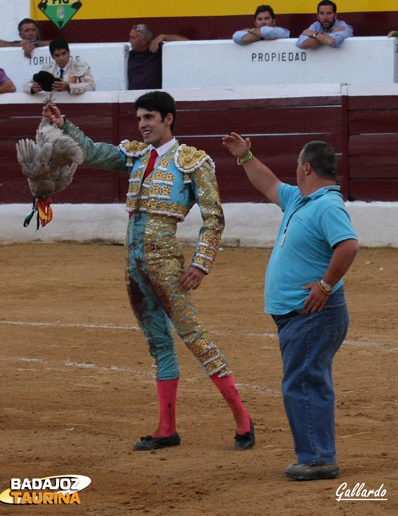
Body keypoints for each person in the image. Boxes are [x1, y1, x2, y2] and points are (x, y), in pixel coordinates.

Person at [42, 90, 255, 452]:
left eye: (149, 118)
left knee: (196, 340)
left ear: (167, 119)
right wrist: (64, 126)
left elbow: (214, 217)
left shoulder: (193, 161)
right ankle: (166, 428)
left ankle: (243, 420)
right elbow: (93, 153)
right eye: (139, 118)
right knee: (158, 344)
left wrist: (200, 265)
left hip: (166, 265)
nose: (142, 125)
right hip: (134, 264)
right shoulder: (136, 156)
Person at [223, 133, 359, 480]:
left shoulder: (327, 205)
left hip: (313, 313)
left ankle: (317, 458)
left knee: (303, 381)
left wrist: (326, 285)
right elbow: (268, 184)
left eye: (298, 164)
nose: (294, 169)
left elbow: (348, 246)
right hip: (300, 314)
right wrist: (245, 157)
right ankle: (318, 453)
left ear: (307, 167)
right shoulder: (301, 200)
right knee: (307, 379)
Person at [24, 38, 96, 95]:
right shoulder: (47, 68)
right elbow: (25, 86)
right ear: (52, 56)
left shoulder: (81, 66)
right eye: (57, 55)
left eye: (63, 53)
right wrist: (33, 88)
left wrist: (68, 87)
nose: (61, 58)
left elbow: (91, 86)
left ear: (69, 52)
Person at [128, 24, 188, 90]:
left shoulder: (156, 49)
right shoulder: (129, 55)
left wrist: (163, 36)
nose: (130, 41)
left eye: (133, 38)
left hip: (154, 96)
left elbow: (185, 42)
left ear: (144, 40)